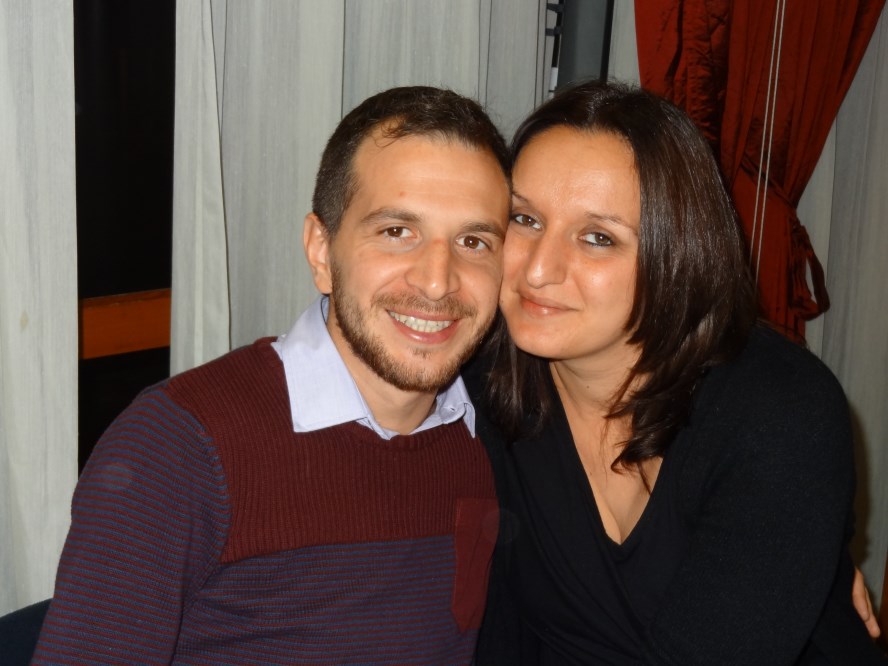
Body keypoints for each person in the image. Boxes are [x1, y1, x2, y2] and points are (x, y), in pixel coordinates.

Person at [31, 86, 509, 665]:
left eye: (473, 241)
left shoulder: (490, 437)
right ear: (321, 251)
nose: (437, 281)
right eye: (396, 232)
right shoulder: (179, 446)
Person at [470, 80, 887, 664]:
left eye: (597, 238)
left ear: (678, 255)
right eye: (525, 218)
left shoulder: (779, 412)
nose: (539, 270)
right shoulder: (478, 377)